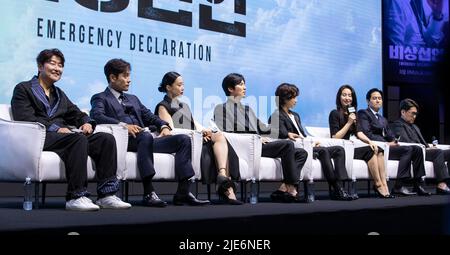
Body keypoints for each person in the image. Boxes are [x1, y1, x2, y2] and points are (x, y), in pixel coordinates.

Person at [11, 49, 131, 211]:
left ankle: (106, 195)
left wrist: (87, 122)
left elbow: (76, 114)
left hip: (64, 137)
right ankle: (76, 196)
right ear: (40, 66)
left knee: (106, 139)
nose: (57, 68)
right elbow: (25, 118)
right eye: (52, 63)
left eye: (60, 65)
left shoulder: (59, 94)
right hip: (39, 137)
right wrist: (56, 128)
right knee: (77, 139)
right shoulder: (24, 89)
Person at [90, 59, 210, 206]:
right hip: (125, 141)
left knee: (183, 140)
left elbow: (150, 117)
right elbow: (97, 116)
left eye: (129, 75)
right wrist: (123, 126)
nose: (129, 80)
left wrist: (164, 126)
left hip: (145, 140)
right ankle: (148, 192)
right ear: (113, 77)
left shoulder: (133, 99)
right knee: (145, 136)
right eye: (125, 76)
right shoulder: (100, 98)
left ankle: (183, 192)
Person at [214, 73, 308, 203]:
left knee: (301, 153)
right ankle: (291, 190)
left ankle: (283, 188)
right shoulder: (221, 109)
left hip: (258, 146)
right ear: (230, 89)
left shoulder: (248, 109)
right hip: (244, 147)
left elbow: (263, 128)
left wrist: (286, 134)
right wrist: (255, 137)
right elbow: (227, 132)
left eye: (244, 84)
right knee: (288, 145)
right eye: (241, 84)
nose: (245, 87)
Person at [155, 71, 242, 205]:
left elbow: (195, 124)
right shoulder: (163, 106)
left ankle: (222, 176)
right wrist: (198, 135)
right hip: (183, 142)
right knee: (218, 147)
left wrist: (205, 131)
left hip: (195, 138)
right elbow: (170, 130)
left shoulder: (184, 106)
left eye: (183, 84)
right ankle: (228, 191)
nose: (182, 87)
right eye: (179, 85)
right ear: (168, 87)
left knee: (219, 136)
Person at [269, 83, 354, 201]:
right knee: (323, 151)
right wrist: (303, 141)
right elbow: (282, 135)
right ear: (285, 98)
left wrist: (311, 142)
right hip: (296, 148)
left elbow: (302, 135)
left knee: (339, 150)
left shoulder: (295, 115)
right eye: (294, 97)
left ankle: (341, 185)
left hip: (306, 145)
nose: (296, 100)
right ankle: (337, 189)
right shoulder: (276, 115)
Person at [358, 88, 431, 196]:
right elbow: (367, 133)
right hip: (377, 148)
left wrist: (394, 141)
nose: (378, 100)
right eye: (374, 98)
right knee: (408, 149)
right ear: (368, 101)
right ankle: (399, 185)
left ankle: (418, 184)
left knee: (417, 149)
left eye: (379, 98)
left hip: (388, 147)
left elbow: (390, 135)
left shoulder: (383, 119)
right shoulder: (363, 113)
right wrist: (386, 143)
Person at [329, 85, 394, 198]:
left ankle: (384, 185)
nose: (347, 98)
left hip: (350, 148)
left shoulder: (352, 114)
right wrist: (349, 123)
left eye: (350, 95)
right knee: (369, 151)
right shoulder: (334, 113)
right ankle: (378, 184)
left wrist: (370, 142)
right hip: (340, 149)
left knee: (377, 149)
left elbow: (359, 133)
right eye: (344, 95)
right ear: (339, 97)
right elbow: (335, 137)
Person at [391, 98, 450, 194]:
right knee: (437, 152)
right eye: (412, 113)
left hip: (424, 150)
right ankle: (441, 185)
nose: (414, 116)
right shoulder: (397, 125)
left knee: (447, 152)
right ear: (403, 112)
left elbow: (423, 142)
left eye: (416, 114)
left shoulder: (415, 126)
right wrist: (425, 148)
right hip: (415, 152)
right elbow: (406, 142)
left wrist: (428, 147)